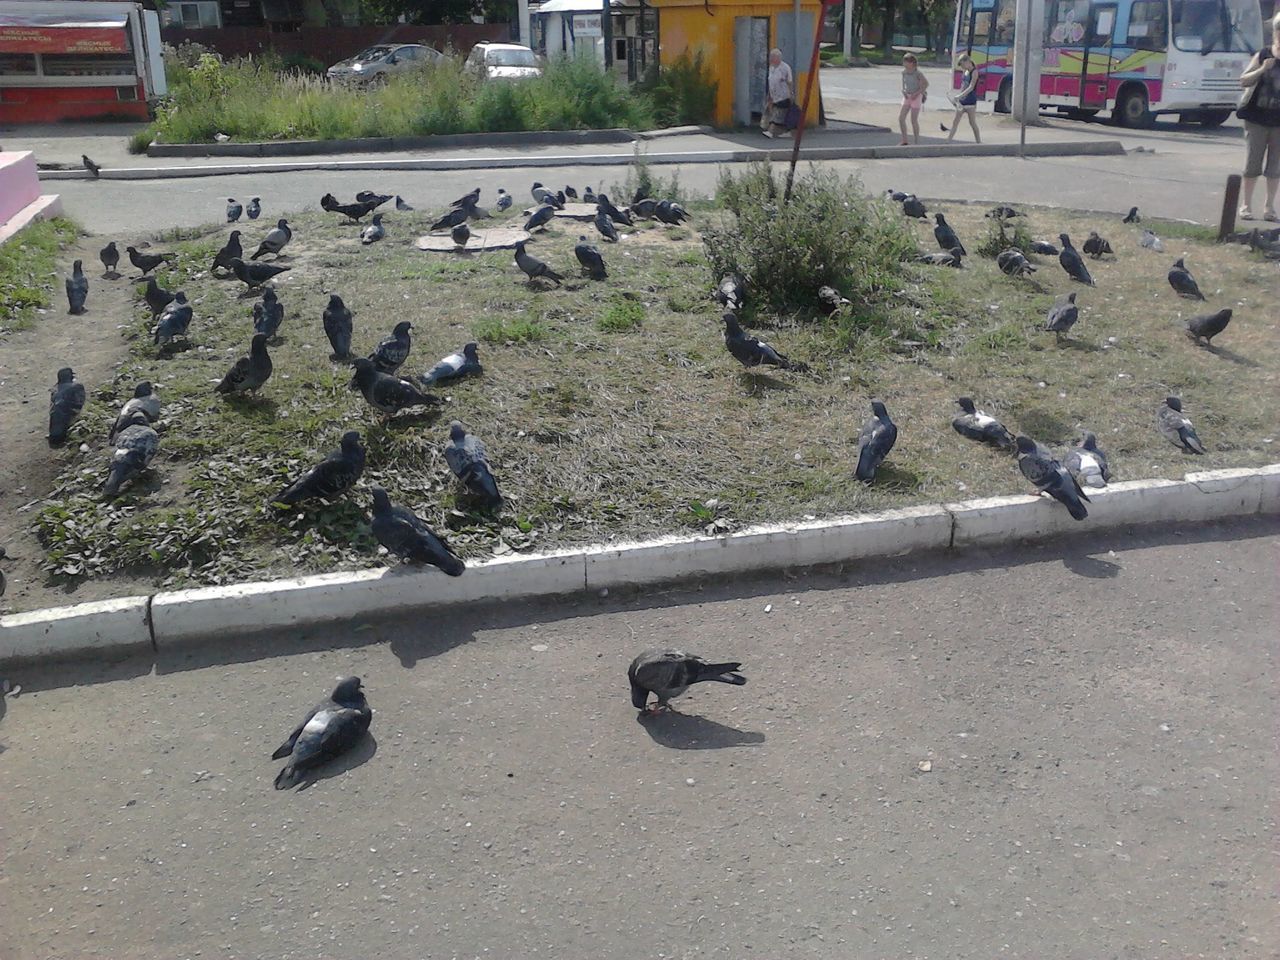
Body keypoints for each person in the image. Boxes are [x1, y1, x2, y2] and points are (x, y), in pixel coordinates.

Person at [1238, 11, 1280, 221]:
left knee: (1275, 167)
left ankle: (1269, 207)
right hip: (1256, 120)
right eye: (1279, 32)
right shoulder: (1264, 54)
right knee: (1252, 164)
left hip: (1279, 123)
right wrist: (1262, 69)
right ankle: (1246, 205)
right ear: (1274, 34)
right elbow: (1244, 80)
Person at [945, 53, 982, 143]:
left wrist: (959, 96)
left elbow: (971, 87)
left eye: (962, 64)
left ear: (967, 61)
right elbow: (963, 86)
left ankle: (978, 142)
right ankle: (948, 141)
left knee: (972, 123)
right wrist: (957, 97)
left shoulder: (974, 72)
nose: (962, 67)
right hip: (962, 101)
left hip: (970, 101)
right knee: (955, 121)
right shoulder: (965, 72)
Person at [763, 48, 795, 139]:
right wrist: (769, 96)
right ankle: (787, 131)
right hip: (774, 96)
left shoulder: (785, 68)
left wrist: (791, 94)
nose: (771, 59)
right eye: (771, 57)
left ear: (778, 58)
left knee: (778, 114)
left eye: (773, 57)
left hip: (784, 96)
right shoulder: (771, 68)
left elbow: (789, 82)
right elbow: (771, 82)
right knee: (781, 116)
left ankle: (771, 131)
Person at [899, 52, 929, 145]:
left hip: (916, 97)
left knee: (913, 120)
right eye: (904, 61)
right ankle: (905, 140)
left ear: (912, 63)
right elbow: (904, 84)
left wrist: (917, 93)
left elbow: (926, 84)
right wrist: (903, 91)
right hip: (907, 96)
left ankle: (917, 142)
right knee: (901, 118)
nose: (904, 64)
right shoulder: (904, 72)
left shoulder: (918, 73)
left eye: (906, 62)